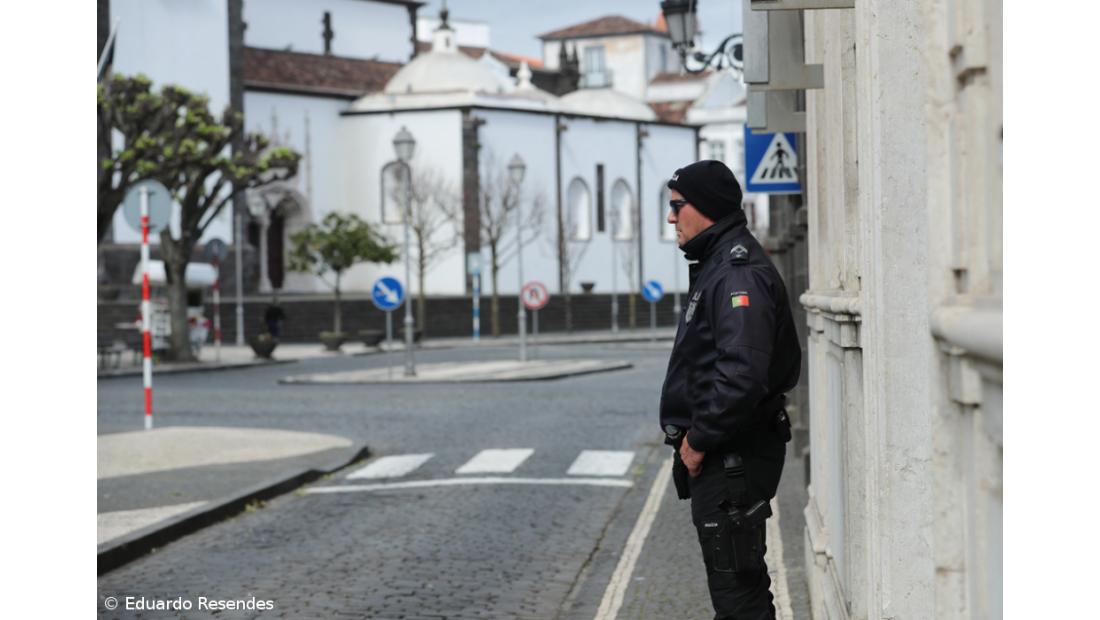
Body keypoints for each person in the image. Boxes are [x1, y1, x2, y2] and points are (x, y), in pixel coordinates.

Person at [659, 159, 801, 619]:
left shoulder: (736, 272)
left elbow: (741, 374)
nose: (670, 217)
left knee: (739, 601)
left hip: (732, 456)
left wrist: (698, 440)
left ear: (707, 209)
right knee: (742, 592)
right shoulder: (719, 264)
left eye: (677, 206)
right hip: (731, 454)